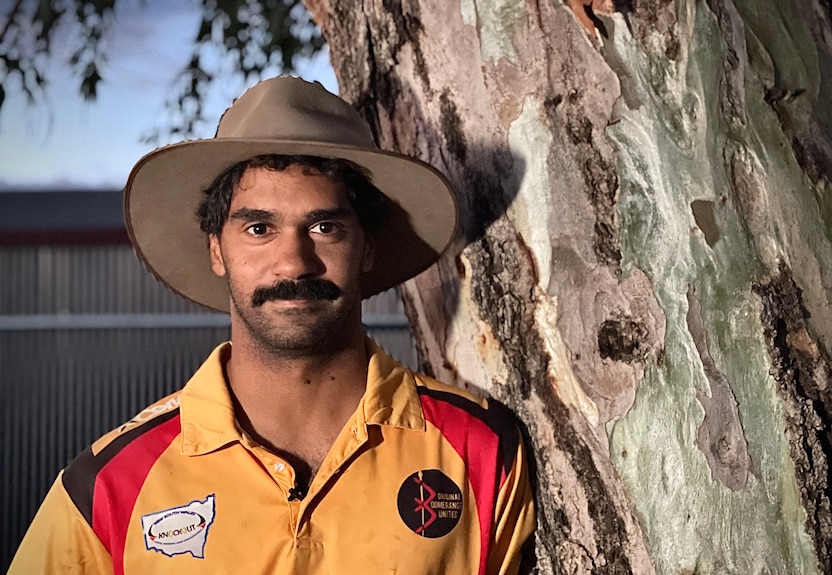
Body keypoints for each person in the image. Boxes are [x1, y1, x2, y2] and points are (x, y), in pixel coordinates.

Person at [9, 76, 535, 574]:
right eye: (259, 228)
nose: (293, 263)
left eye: (324, 226)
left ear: (367, 245)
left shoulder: (482, 452)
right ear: (217, 249)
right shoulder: (109, 486)